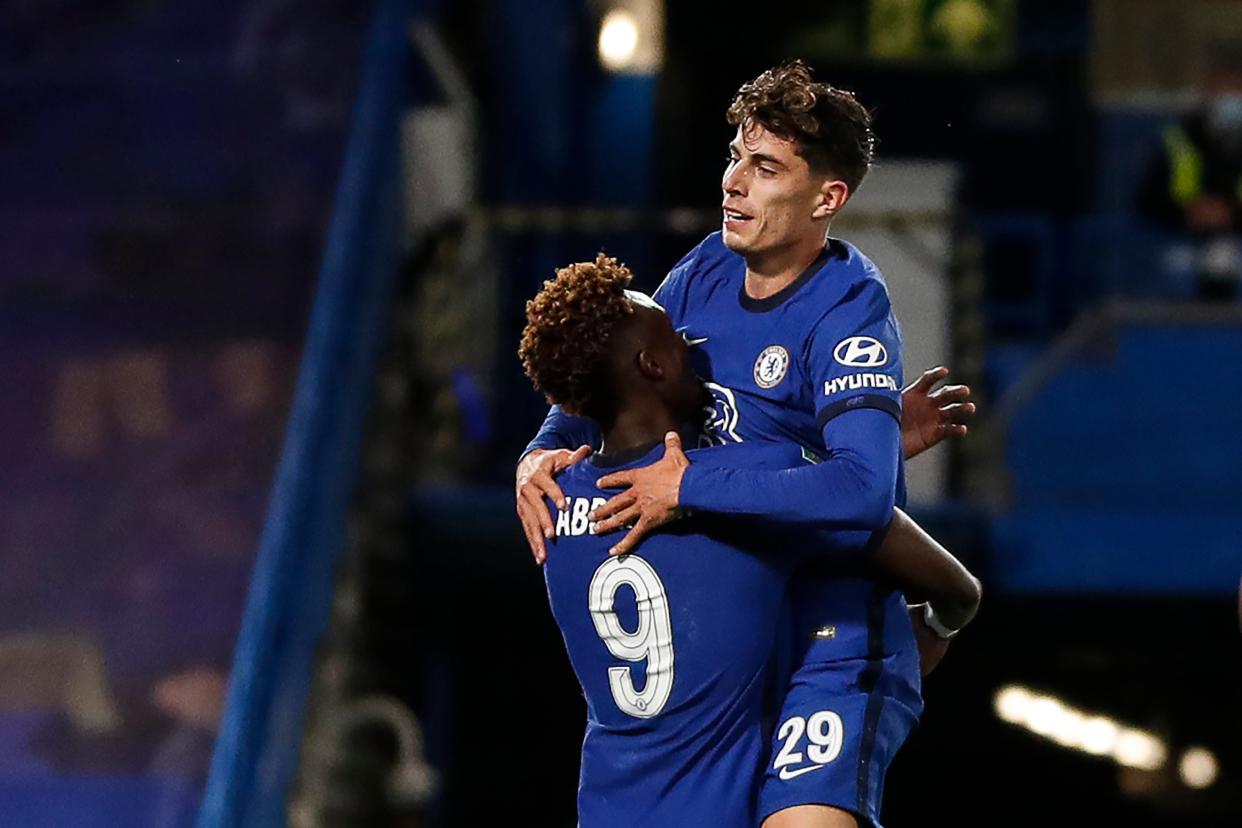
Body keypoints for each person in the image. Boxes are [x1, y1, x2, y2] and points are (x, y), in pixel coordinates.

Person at [517, 60, 973, 828]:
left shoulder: (849, 309)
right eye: (735, 155)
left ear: (827, 198)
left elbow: (862, 493)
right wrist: (542, 446)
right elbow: (611, 368)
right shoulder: (700, 271)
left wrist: (687, 486)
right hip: (748, 627)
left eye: (765, 167)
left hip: (832, 627)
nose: (734, 181)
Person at [1138, 54, 1242, 300]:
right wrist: (1188, 212)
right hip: (1183, 240)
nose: (1231, 98)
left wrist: (1230, 213)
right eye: (1223, 89)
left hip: (1236, 239)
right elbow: (1146, 202)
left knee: (1223, 255)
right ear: (1208, 92)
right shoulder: (1179, 138)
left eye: (1238, 89)